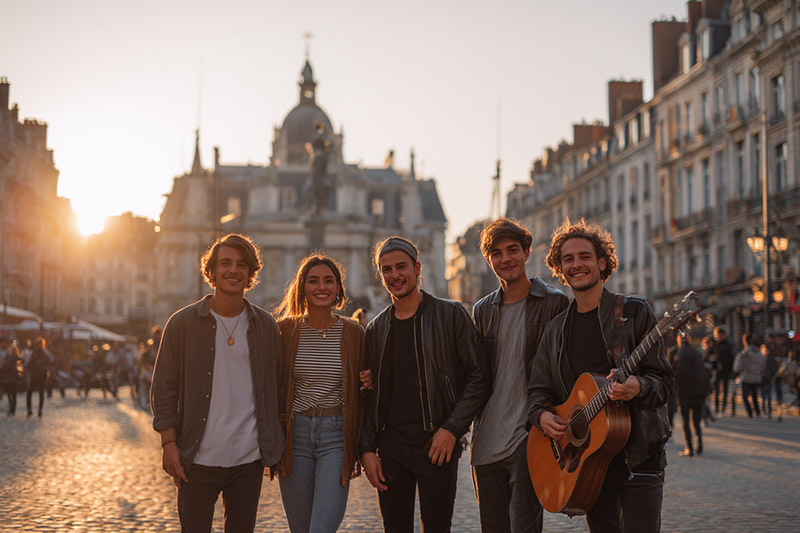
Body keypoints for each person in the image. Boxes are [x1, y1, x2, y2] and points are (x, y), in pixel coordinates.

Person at [528, 218, 674, 532]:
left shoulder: (634, 313)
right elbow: (537, 390)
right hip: (589, 463)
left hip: (639, 457)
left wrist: (638, 387)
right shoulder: (555, 331)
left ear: (602, 263)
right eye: (568, 259)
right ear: (559, 268)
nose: (576, 264)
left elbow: (664, 382)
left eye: (584, 257)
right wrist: (541, 416)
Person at [150, 233, 284, 532]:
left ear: (251, 273)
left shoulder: (265, 326)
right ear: (211, 271)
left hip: (248, 459)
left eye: (241, 265)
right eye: (225, 263)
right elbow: (164, 387)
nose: (233, 270)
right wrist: (169, 443)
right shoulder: (182, 323)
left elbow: (279, 385)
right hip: (196, 458)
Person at [359, 236, 489, 532]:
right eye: (386, 270)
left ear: (417, 268)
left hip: (436, 444)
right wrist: (366, 450)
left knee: (437, 527)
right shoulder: (376, 328)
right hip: (390, 448)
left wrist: (452, 430)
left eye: (401, 267)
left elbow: (479, 378)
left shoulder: (451, 314)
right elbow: (370, 395)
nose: (394, 275)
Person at [470, 218, 568, 532]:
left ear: (527, 253)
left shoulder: (554, 303)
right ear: (489, 260)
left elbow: (563, 370)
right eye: (496, 253)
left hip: (529, 437)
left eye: (513, 250)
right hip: (485, 441)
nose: (505, 259)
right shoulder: (482, 310)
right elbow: (472, 373)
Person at [274, 253, 368, 533]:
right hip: (295, 436)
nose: (321, 287)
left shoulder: (354, 332)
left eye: (329, 281)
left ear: (338, 288)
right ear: (302, 287)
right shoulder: (285, 331)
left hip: (336, 436)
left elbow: (368, 380)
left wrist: (370, 378)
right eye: (313, 281)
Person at [675, 332, 709, 457]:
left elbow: (679, 373)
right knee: (696, 420)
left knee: (685, 422)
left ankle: (689, 448)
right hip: (699, 392)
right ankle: (699, 444)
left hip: (686, 393)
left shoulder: (682, 353)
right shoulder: (695, 352)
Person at [733, 333, 765, 418]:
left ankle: (750, 412)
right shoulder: (759, 352)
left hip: (746, 377)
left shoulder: (744, 353)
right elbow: (763, 367)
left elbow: (738, 367)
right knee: (754, 396)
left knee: (745, 396)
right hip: (756, 377)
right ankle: (757, 412)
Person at [709, 326, 734, 415]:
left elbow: (731, 358)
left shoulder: (728, 345)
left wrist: (731, 370)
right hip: (716, 371)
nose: (717, 337)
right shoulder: (714, 345)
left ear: (723, 335)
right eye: (716, 335)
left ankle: (723, 408)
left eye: (719, 335)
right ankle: (717, 408)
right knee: (716, 390)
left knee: (725, 390)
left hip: (725, 370)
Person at [25, 337, 51, 417]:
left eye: (41, 345)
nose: (39, 347)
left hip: (42, 376)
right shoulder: (33, 354)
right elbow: (28, 364)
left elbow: (50, 362)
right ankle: (29, 409)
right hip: (34, 376)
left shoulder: (45, 354)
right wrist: (32, 371)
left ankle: (40, 410)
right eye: (38, 345)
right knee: (29, 392)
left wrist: (45, 369)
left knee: (41, 393)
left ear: (43, 345)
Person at [1, 341, 20, 416]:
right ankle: (12, 408)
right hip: (9, 377)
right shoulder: (8, 356)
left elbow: (7, 366)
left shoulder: (14, 357)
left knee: (12, 393)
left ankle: (12, 408)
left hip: (12, 378)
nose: (12, 351)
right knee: (10, 393)